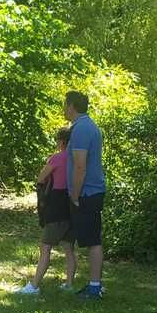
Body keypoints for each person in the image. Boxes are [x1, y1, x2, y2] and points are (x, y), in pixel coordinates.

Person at [16, 127, 76, 295]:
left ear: (62, 142)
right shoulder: (75, 159)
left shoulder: (57, 158)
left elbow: (41, 178)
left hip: (56, 204)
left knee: (45, 247)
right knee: (69, 247)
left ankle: (34, 286)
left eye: (57, 140)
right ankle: (69, 284)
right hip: (71, 204)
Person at [64, 91, 106, 300]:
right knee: (92, 239)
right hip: (92, 191)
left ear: (71, 105)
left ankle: (95, 287)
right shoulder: (89, 126)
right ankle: (94, 284)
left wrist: (74, 195)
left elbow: (80, 166)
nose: (64, 108)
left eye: (65, 104)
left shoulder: (81, 129)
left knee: (92, 240)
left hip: (87, 193)